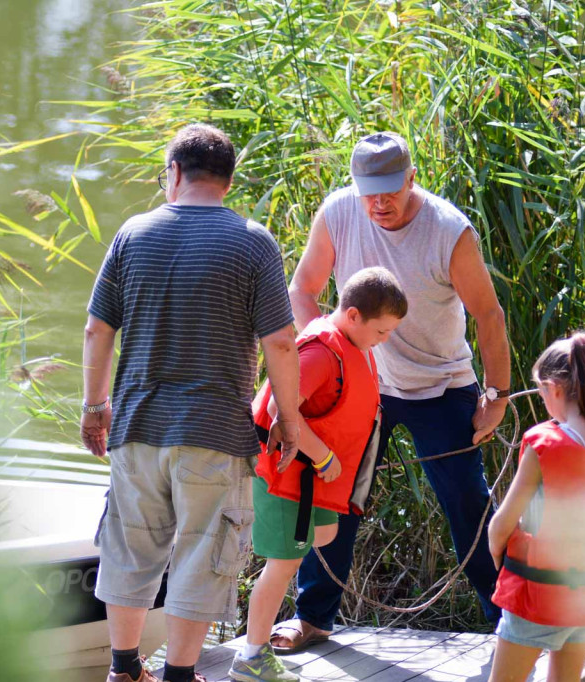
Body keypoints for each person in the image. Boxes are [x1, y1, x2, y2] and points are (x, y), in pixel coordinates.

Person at [81, 123, 301, 682]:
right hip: (215, 434)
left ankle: (124, 668)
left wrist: (94, 406)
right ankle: (179, 675)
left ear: (175, 173)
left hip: (136, 428)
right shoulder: (253, 242)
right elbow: (280, 342)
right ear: (228, 181)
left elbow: (97, 330)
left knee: (130, 550)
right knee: (204, 554)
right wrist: (288, 418)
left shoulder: (133, 234)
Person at [277, 131, 511, 651]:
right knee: (334, 493)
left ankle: (509, 623)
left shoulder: (448, 230)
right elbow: (302, 290)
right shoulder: (338, 212)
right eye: (370, 193)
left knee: (467, 505)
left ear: (412, 179)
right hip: (363, 386)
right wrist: (333, 357)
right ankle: (312, 617)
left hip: (441, 387)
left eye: (391, 191)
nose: (380, 203)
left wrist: (496, 396)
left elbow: (489, 314)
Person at [229, 267, 407, 682]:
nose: (385, 340)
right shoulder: (322, 352)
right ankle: (251, 658)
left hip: (309, 481)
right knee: (284, 563)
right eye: (382, 331)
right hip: (286, 477)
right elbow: (278, 408)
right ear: (353, 316)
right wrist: (324, 456)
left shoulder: (354, 343)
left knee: (323, 535)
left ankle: (259, 644)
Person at [487, 332, 585, 682]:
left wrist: (500, 559)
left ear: (554, 388)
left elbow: (502, 524)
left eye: (541, 393)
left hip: (539, 593)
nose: (544, 403)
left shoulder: (544, 445)